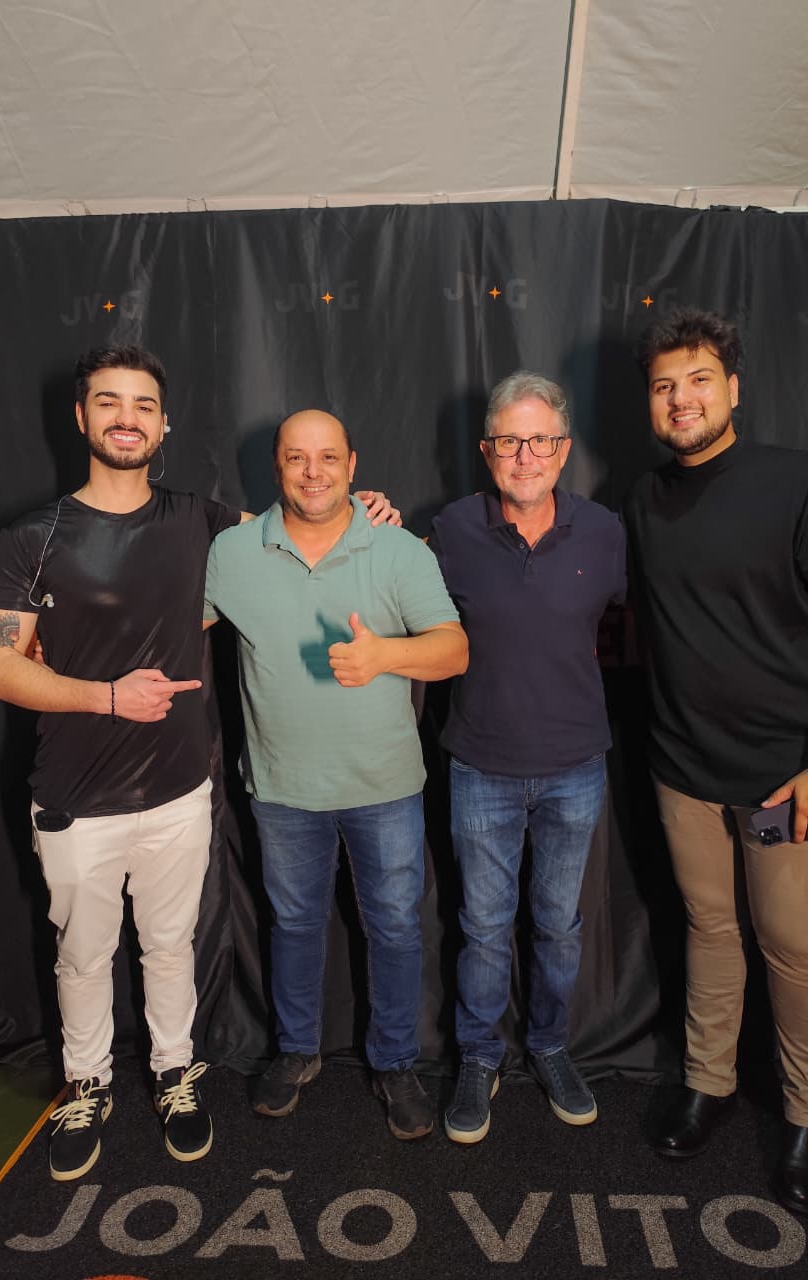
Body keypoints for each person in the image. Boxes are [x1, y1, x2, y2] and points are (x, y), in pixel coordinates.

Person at [0, 347, 398, 1182]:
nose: (126, 417)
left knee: (170, 948)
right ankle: (87, 1085)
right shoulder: (32, 536)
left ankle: (174, 1073)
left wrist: (363, 506)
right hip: (73, 800)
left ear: (163, 424)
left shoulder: (201, 519)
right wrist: (107, 696)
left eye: (143, 404)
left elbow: (299, 529)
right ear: (82, 418)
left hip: (177, 791)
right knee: (82, 956)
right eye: (109, 402)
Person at [623, 308, 808, 1214]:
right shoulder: (644, 500)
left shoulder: (804, 485)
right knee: (709, 929)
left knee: (794, 947)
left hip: (785, 782)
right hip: (683, 774)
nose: (681, 399)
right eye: (664, 386)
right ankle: (710, 1083)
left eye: (699, 380)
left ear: (733, 388)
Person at [203, 409, 467, 1140]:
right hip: (283, 787)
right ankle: (297, 1051)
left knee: (395, 927)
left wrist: (385, 656)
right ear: (277, 467)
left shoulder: (397, 548)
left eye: (327, 457)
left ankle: (396, 1063)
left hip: (385, 785)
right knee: (293, 924)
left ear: (352, 465)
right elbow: (167, 624)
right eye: (297, 458)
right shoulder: (232, 552)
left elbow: (453, 650)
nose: (313, 472)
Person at [428, 372, 626, 1144]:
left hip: (576, 766)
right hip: (480, 766)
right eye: (510, 440)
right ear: (487, 451)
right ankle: (479, 1057)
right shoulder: (450, 529)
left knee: (558, 926)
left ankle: (547, 1045)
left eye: (540, 440)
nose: (525, 455)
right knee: (482, 928)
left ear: (564, 450)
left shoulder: (604, 532)